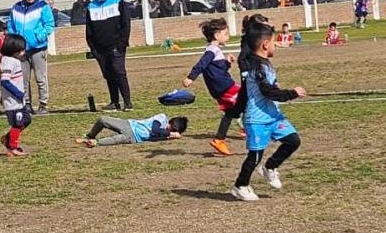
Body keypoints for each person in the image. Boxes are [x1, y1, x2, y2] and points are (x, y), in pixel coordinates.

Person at [231, 22, 306, 202]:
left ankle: (270, 167)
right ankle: (240, 186)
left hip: (273, 116)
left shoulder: (264, 64)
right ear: (265, 44)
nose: (275, 45)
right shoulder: (257, 68)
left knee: (293, 141)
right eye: (274, 42)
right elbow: (268, 92)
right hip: (257, 119)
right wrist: (292, 93)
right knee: (255, 156)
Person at [182, 18, 240, 156]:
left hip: (220, 88)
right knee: (250, 99)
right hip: (225, 87)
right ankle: (254, 130)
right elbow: (202, 64)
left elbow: (218, 70)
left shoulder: (215, 50)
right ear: (216, 35)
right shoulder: (212, 50)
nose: (228, 36)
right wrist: (191, 77)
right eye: (226, 33)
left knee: (231, 113)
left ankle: (219, 140)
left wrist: (227, 63)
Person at [5, 0, 55, 114]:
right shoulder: (15, 8)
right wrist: (15, 41)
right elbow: (11, 26)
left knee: (40, 78)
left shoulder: (43, 6)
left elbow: (49, 24)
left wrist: (39, 37)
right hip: (21, 51)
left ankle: (43, 104)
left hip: (38, 48)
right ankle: (26, 103)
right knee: (23, 80)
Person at [85, 0, 133, 112]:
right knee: (108, 75)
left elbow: (126, 24)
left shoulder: (119, 2)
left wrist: (122, 43)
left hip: (116, 46)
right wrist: (93, 48)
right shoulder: (91, 6)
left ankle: (127, 102)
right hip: (100, 49)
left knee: (119, 72)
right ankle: (115, 102)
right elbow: (89, 29)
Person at [0, 33, 30, 157]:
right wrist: (18, 93)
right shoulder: (8, 61)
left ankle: (7, 138)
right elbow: (5, 81)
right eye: (22, 49)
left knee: (26, 120)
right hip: (13, 101)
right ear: (13, 50)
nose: (24, 52)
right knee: (18, 123)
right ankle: (12, 148)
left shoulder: (12, 60)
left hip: (18, 100)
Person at [75, 114, 188, 147]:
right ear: (170, 120)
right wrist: (170, 133)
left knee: (117, 140)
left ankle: (95, 143)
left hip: (134, 137)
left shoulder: (166, 134)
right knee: (102, 120)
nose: (165, 129)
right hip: (129, 125)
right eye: (168, 127)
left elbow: (153, 138)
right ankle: (90, 136)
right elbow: (155, 129)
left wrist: (167, 137)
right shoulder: (162, 118)